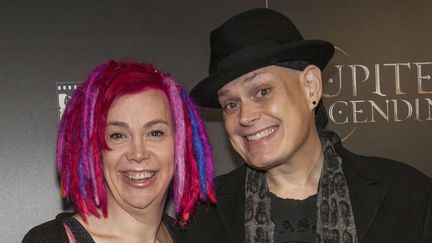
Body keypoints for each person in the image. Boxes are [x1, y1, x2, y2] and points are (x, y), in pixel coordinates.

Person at [186, 8, 432, 243]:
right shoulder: (205, 215)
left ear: (311, 86)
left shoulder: (409, 196)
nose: (245, 116)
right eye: (230, 104)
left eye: (262, 91)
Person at [23, 60, 216, 242]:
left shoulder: (195, 237)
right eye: (118, 135)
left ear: (182, 144)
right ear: (93, 150)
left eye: (155, 133)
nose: (138, 153)